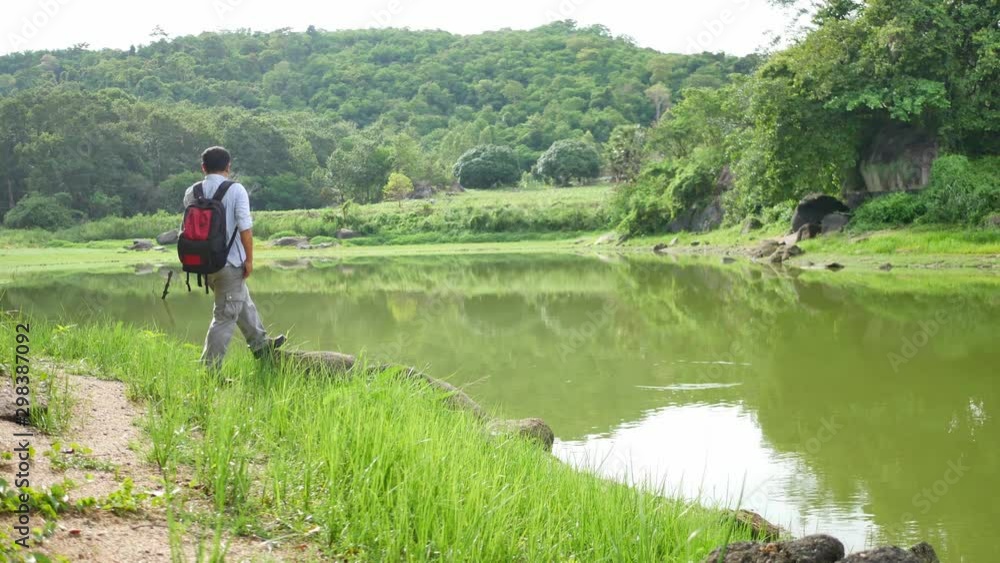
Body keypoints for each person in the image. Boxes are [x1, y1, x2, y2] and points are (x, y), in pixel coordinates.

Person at [183, 146, 285, 369]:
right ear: (228, 167)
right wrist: (249, 259)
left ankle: (260, 345)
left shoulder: (192, 191)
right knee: (224, 317)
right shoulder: (236, 190)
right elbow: (245, 229)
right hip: (229, 264)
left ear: (203, 167)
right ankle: (209, 370)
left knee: (240, 301)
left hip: (203, 264)